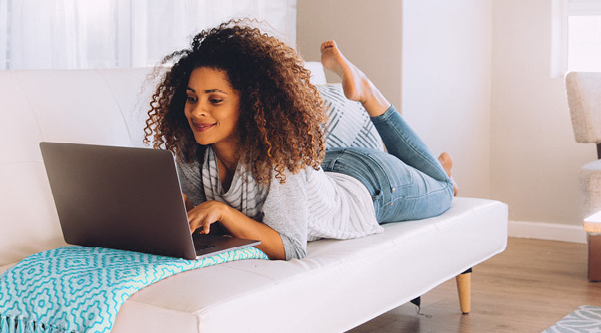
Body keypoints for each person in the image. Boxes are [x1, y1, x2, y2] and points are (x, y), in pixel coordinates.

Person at [143, 20, 456, 261]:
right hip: (326, 166)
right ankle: (430, 169)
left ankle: (370, 95)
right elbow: (202, 219)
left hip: (372, 188)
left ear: (250, 103)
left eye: (215, 100)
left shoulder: (281, 158)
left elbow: (291, 246)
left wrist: (223, 212)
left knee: (443, 190)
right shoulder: (192, 154)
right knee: (435, 177)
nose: (197, 111)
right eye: (191, 97)